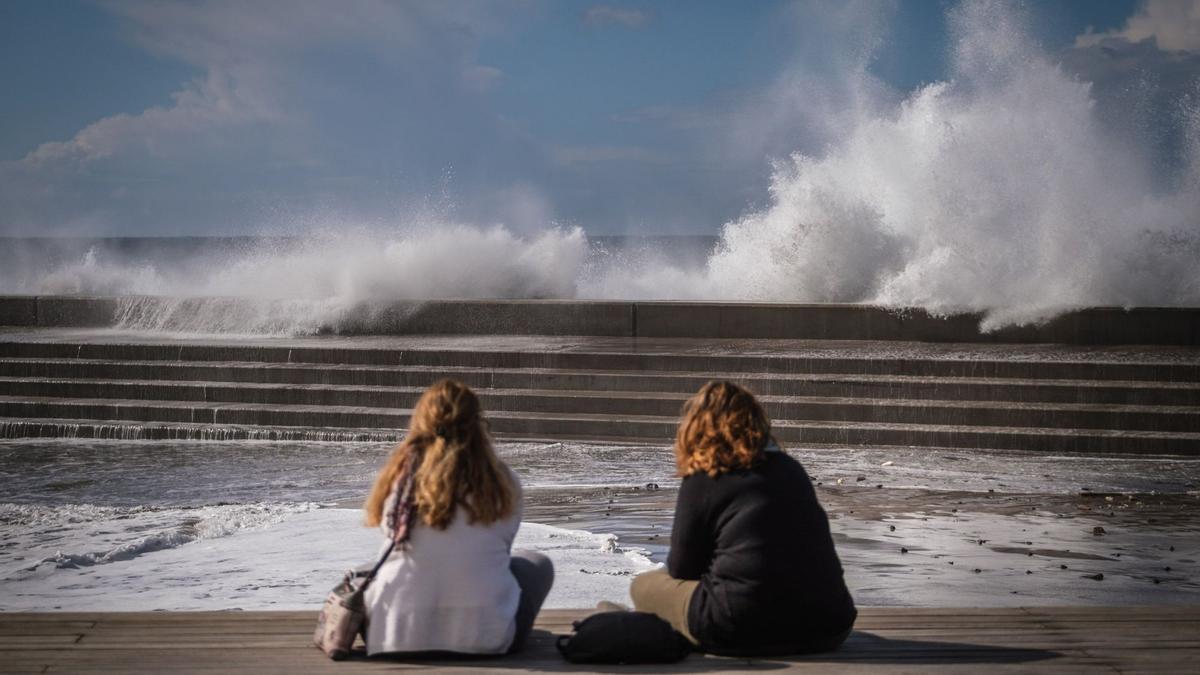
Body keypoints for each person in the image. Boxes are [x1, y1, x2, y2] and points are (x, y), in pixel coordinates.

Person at [630, 381, 856, 656]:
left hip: (738, 627)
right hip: (830, 626)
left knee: (643, 586)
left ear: (695, 427)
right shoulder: (791, 469)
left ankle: (618, 623)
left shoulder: (704, 478)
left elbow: (682, 569)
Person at [362, 379, 553, 656]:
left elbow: (392, 534)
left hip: (394, 636)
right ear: (478, 425)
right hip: (484, 638)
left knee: (377, 568)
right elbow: (499, 550)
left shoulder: (399, 481)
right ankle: (491, 623)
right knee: (535, 564)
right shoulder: (503, 482)